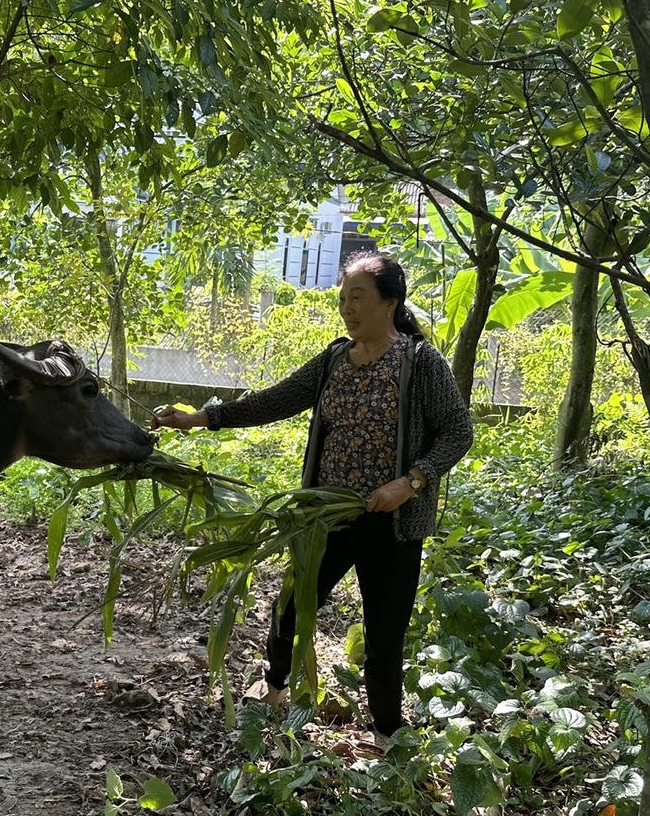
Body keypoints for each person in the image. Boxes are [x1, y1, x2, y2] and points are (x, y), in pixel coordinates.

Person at [152, 252, 473, 736]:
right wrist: (198, 418)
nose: (347, 307)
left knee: (384, 637)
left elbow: (457, 431)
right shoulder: (333, 360)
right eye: (343, 298)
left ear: (389, 302)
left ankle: (388, 736)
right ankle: (273, 691)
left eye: (358, 297)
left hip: (392, 525)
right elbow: (272, 401)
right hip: (326, 516)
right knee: (289, 609)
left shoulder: (420, 363)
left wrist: (411, 483)